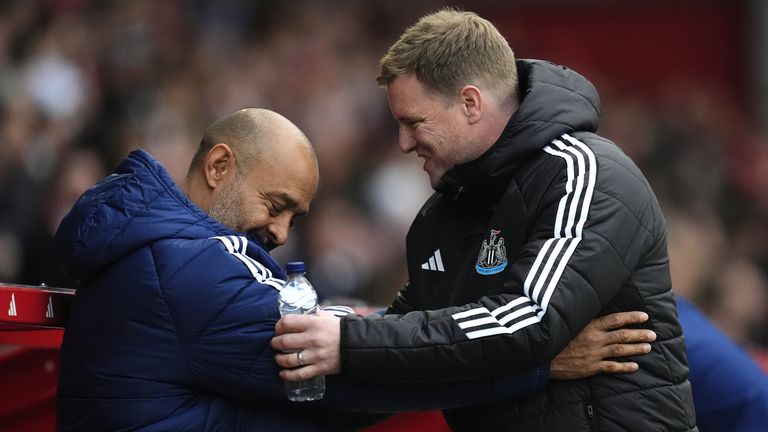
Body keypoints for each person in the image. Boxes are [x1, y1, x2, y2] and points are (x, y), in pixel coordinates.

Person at [53, 108, 656, 431]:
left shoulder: (160, 251)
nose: (282, 233)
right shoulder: (188, 268)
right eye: (276, 205)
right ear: (219, 166)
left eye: (297, 215)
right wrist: (535, 361)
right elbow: (345, 374)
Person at [272, 9, 698, 431]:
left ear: (470, 103)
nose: (403, 144)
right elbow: (414, 332)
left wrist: (347, 342)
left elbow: (531, 320)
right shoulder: (443, 212)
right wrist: (330, 329)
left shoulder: (584, 173)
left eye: (413, 122)